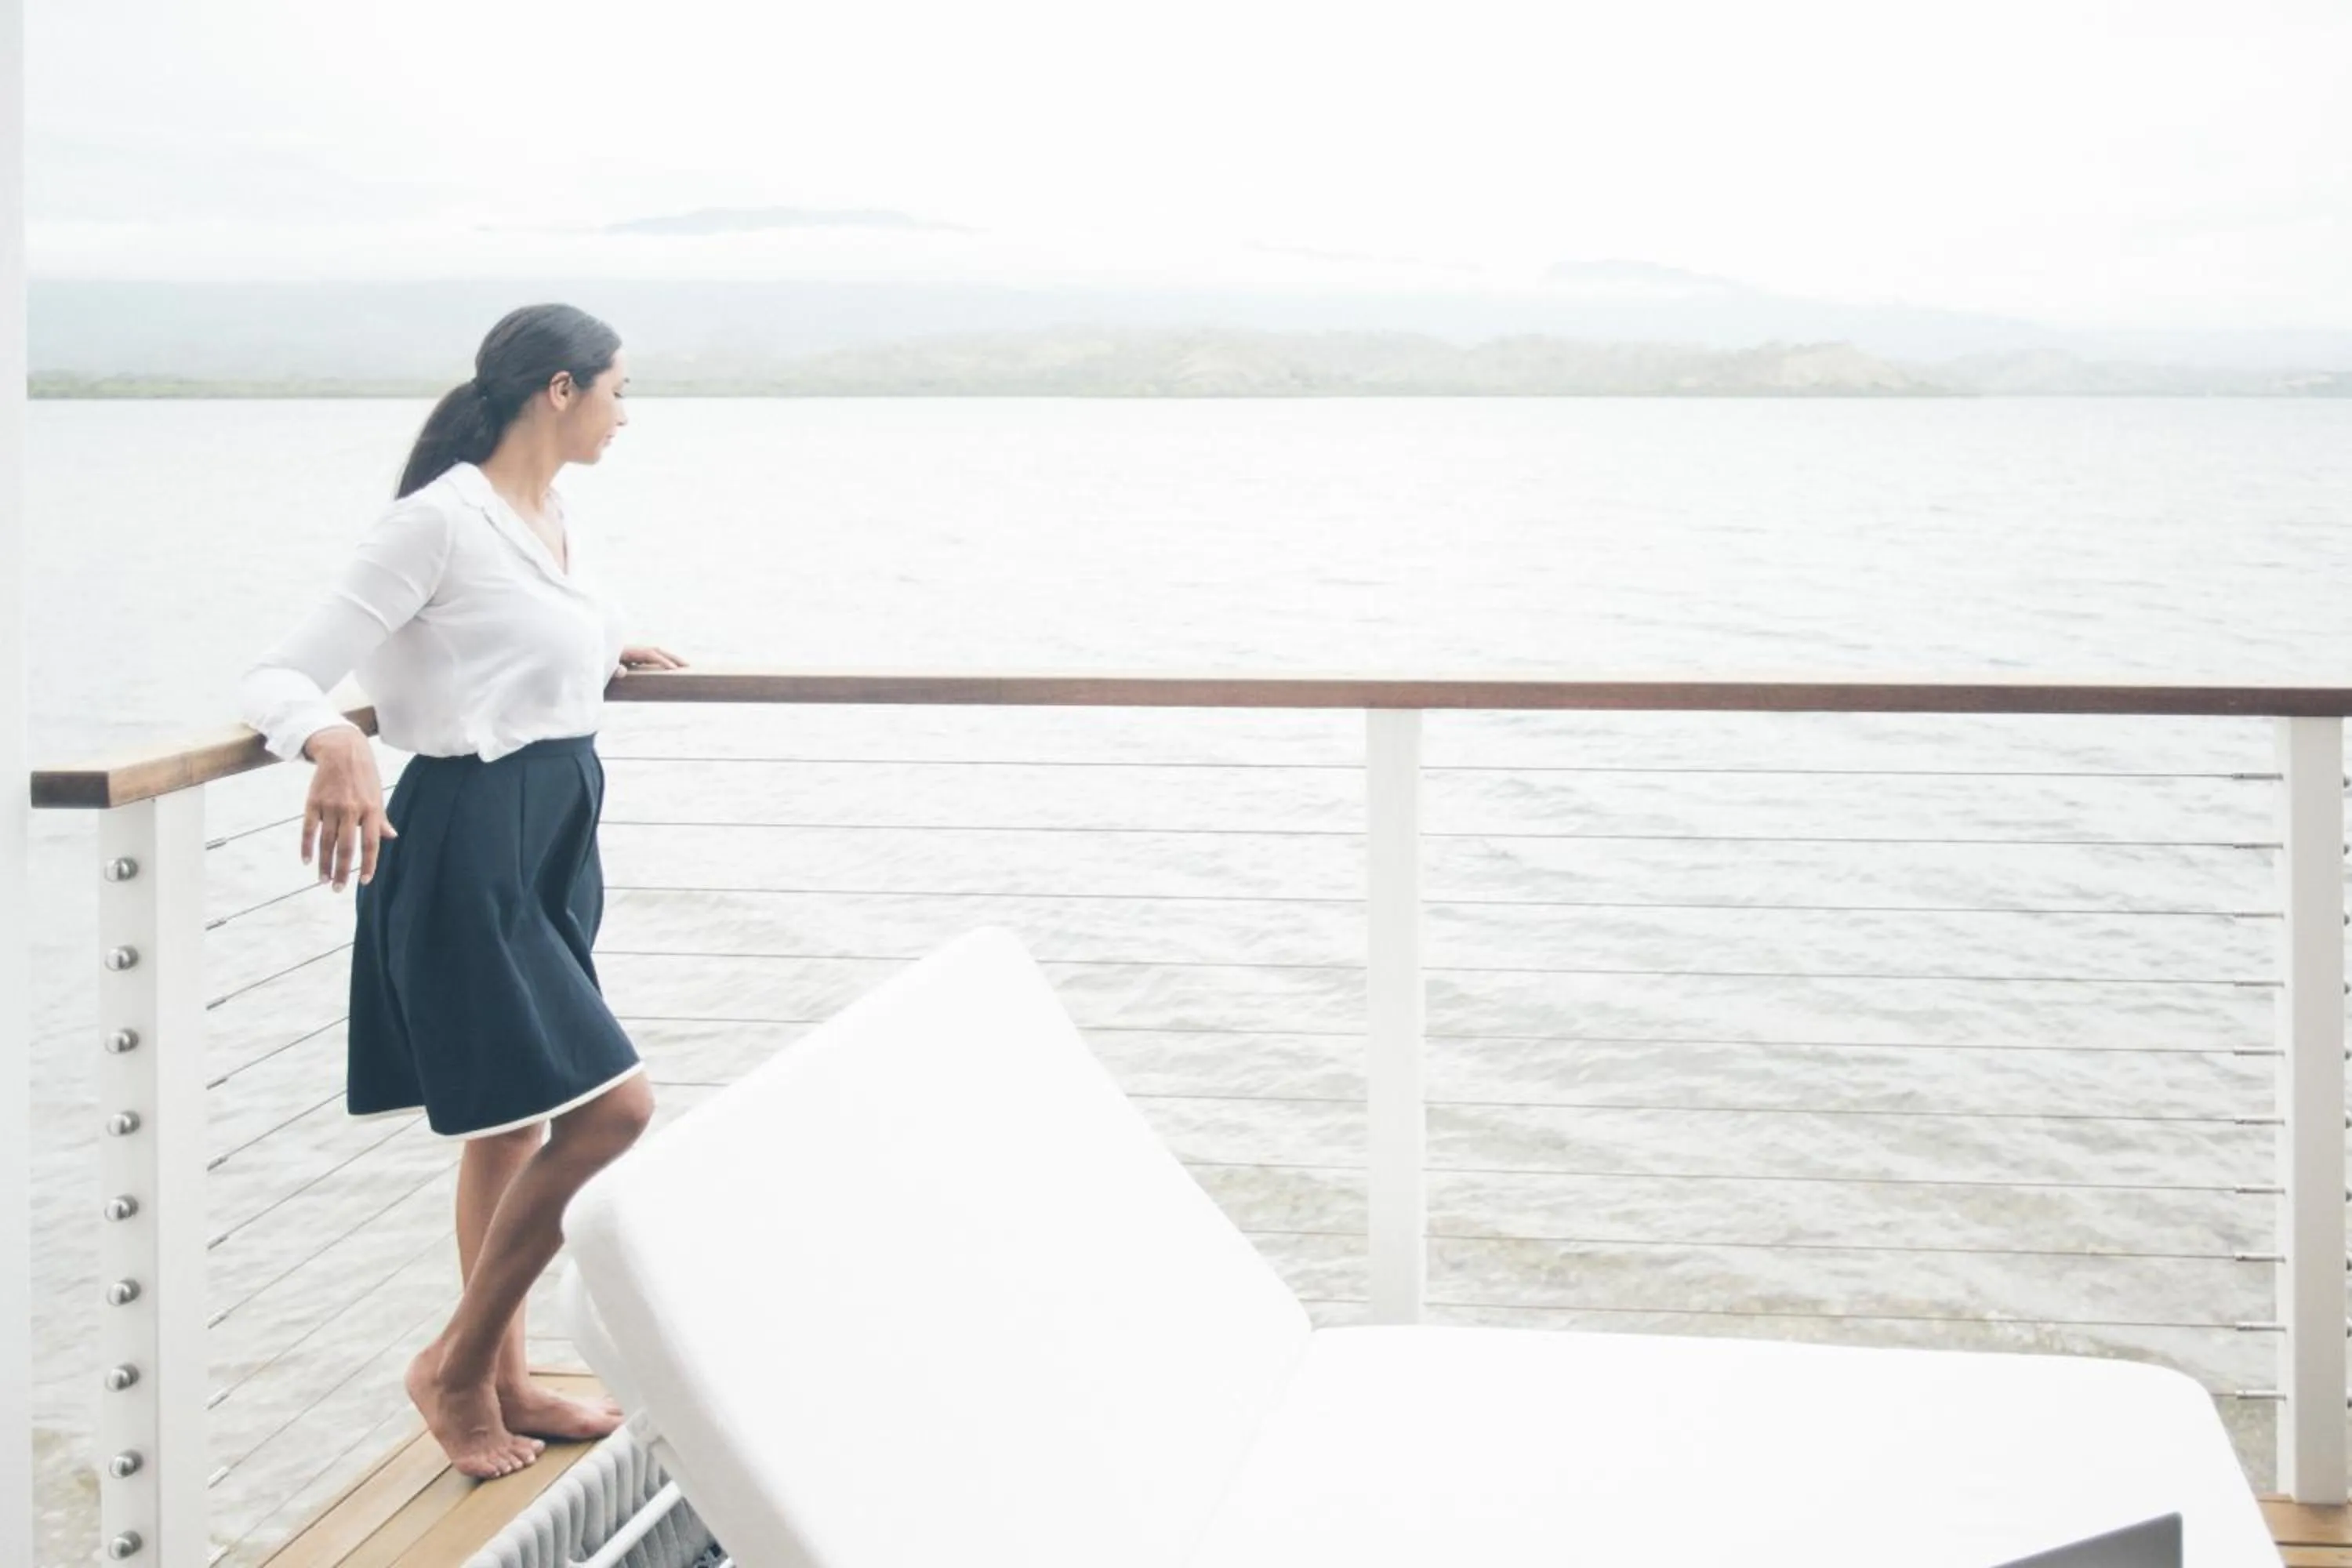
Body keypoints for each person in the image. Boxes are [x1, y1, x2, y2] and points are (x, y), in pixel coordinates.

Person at [238, 303, 686, 1479]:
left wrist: (608, 644)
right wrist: (331, 739)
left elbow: (518, 638)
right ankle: (455, 1365)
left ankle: (508, 1378)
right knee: (615, 1110)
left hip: (554, 833)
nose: (626, 416)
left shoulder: (549, 516)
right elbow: (277, 673)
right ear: (558, 390)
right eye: (618, 392)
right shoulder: (432, 525)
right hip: (471, 834)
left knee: (512, 1120)